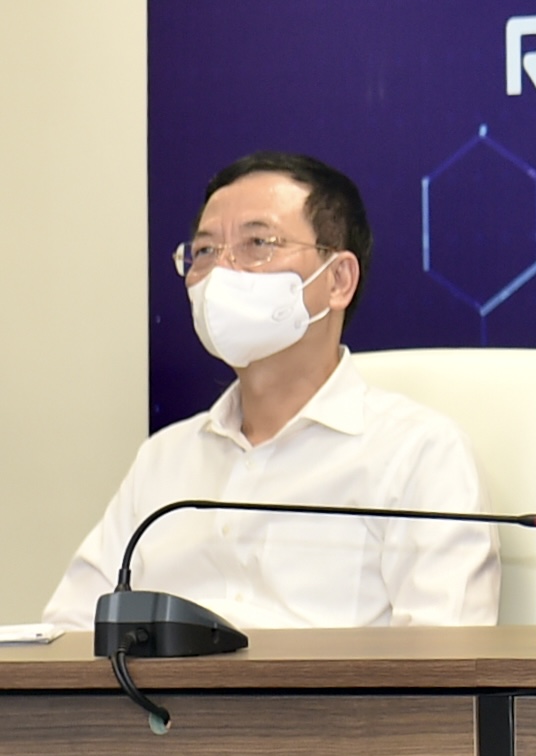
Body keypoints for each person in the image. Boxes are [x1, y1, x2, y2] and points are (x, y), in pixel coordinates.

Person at [43, 153, 500, 631]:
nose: (220, 272)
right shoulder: (164, 458)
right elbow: (70, 632)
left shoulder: (420, 454)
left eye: (258, 243)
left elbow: (442, 658)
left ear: (338, 280)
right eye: (205, 251)